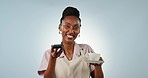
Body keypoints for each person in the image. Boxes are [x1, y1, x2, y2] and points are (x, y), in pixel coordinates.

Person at [38, 6, 104, 78]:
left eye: (76, 28)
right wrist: (53, 59)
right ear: (60, 27)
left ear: (79, 29)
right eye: (67, 26)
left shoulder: (86, 49)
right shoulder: (48, 54)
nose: (71, 31)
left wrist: (98, 65)